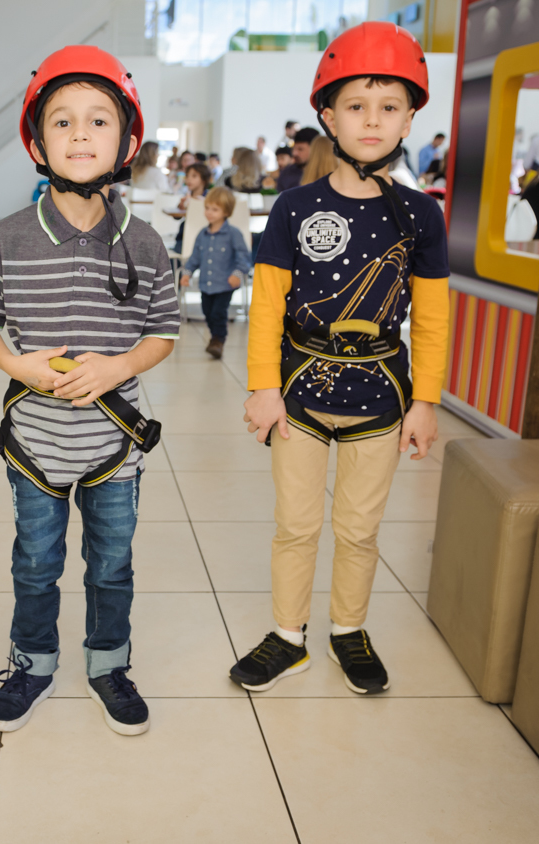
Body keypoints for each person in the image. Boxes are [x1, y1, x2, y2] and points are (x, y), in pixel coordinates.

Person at [0, 46, 179, 737]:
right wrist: (21, 368)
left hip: (116, 445)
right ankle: (31, 662)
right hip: (36, 444)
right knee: (35, 562)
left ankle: (108, 663)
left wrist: (117, 369)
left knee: (112, 564)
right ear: (37, 140)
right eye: (62, 122)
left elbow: (164, 333)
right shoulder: (10, 239)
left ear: (127, 141)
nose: (81, 135)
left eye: (98, 121)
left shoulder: (145, 242)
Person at [232, 22, 449, 697]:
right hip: (297, 395)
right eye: (357, 106)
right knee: (295, 525)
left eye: (389, 107)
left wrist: (427, 401)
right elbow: (267, 307)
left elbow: (434, 316)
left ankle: (347, 630)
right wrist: (262, 388)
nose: (373, 121)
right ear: (328, 115)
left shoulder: (422, 215)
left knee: (359, 529)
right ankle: (289, 636)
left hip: (381, 398)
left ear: (412, 115)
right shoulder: (293, 208)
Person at [179, 185, 252, 359]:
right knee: (207, 312)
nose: (209, 212)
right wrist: (187, 273)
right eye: (207, 208)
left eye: (215, 209)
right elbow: (195, 257)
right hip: (206, 284)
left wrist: (238, 274)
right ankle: (214, 337)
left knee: (219, 313)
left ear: (226, 211)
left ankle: (219, 341)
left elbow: (244, 257)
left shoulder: (233, 234)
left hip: (225, 284)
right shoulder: (202, 235)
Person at [173, 161, 212, 253]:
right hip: (186, 237)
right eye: (187, 176)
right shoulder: (186, 197)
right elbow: (176, 216)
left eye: (194, 176)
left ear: (203, 179)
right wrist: (181, 206)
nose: (189, 179)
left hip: (207, 237)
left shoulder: (210, 197)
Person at [276, 127, 320, 192]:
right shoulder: (286, 173)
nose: (294, 153)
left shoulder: (326, 173)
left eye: (300, 149)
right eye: (294, 148)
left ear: (315, 149)